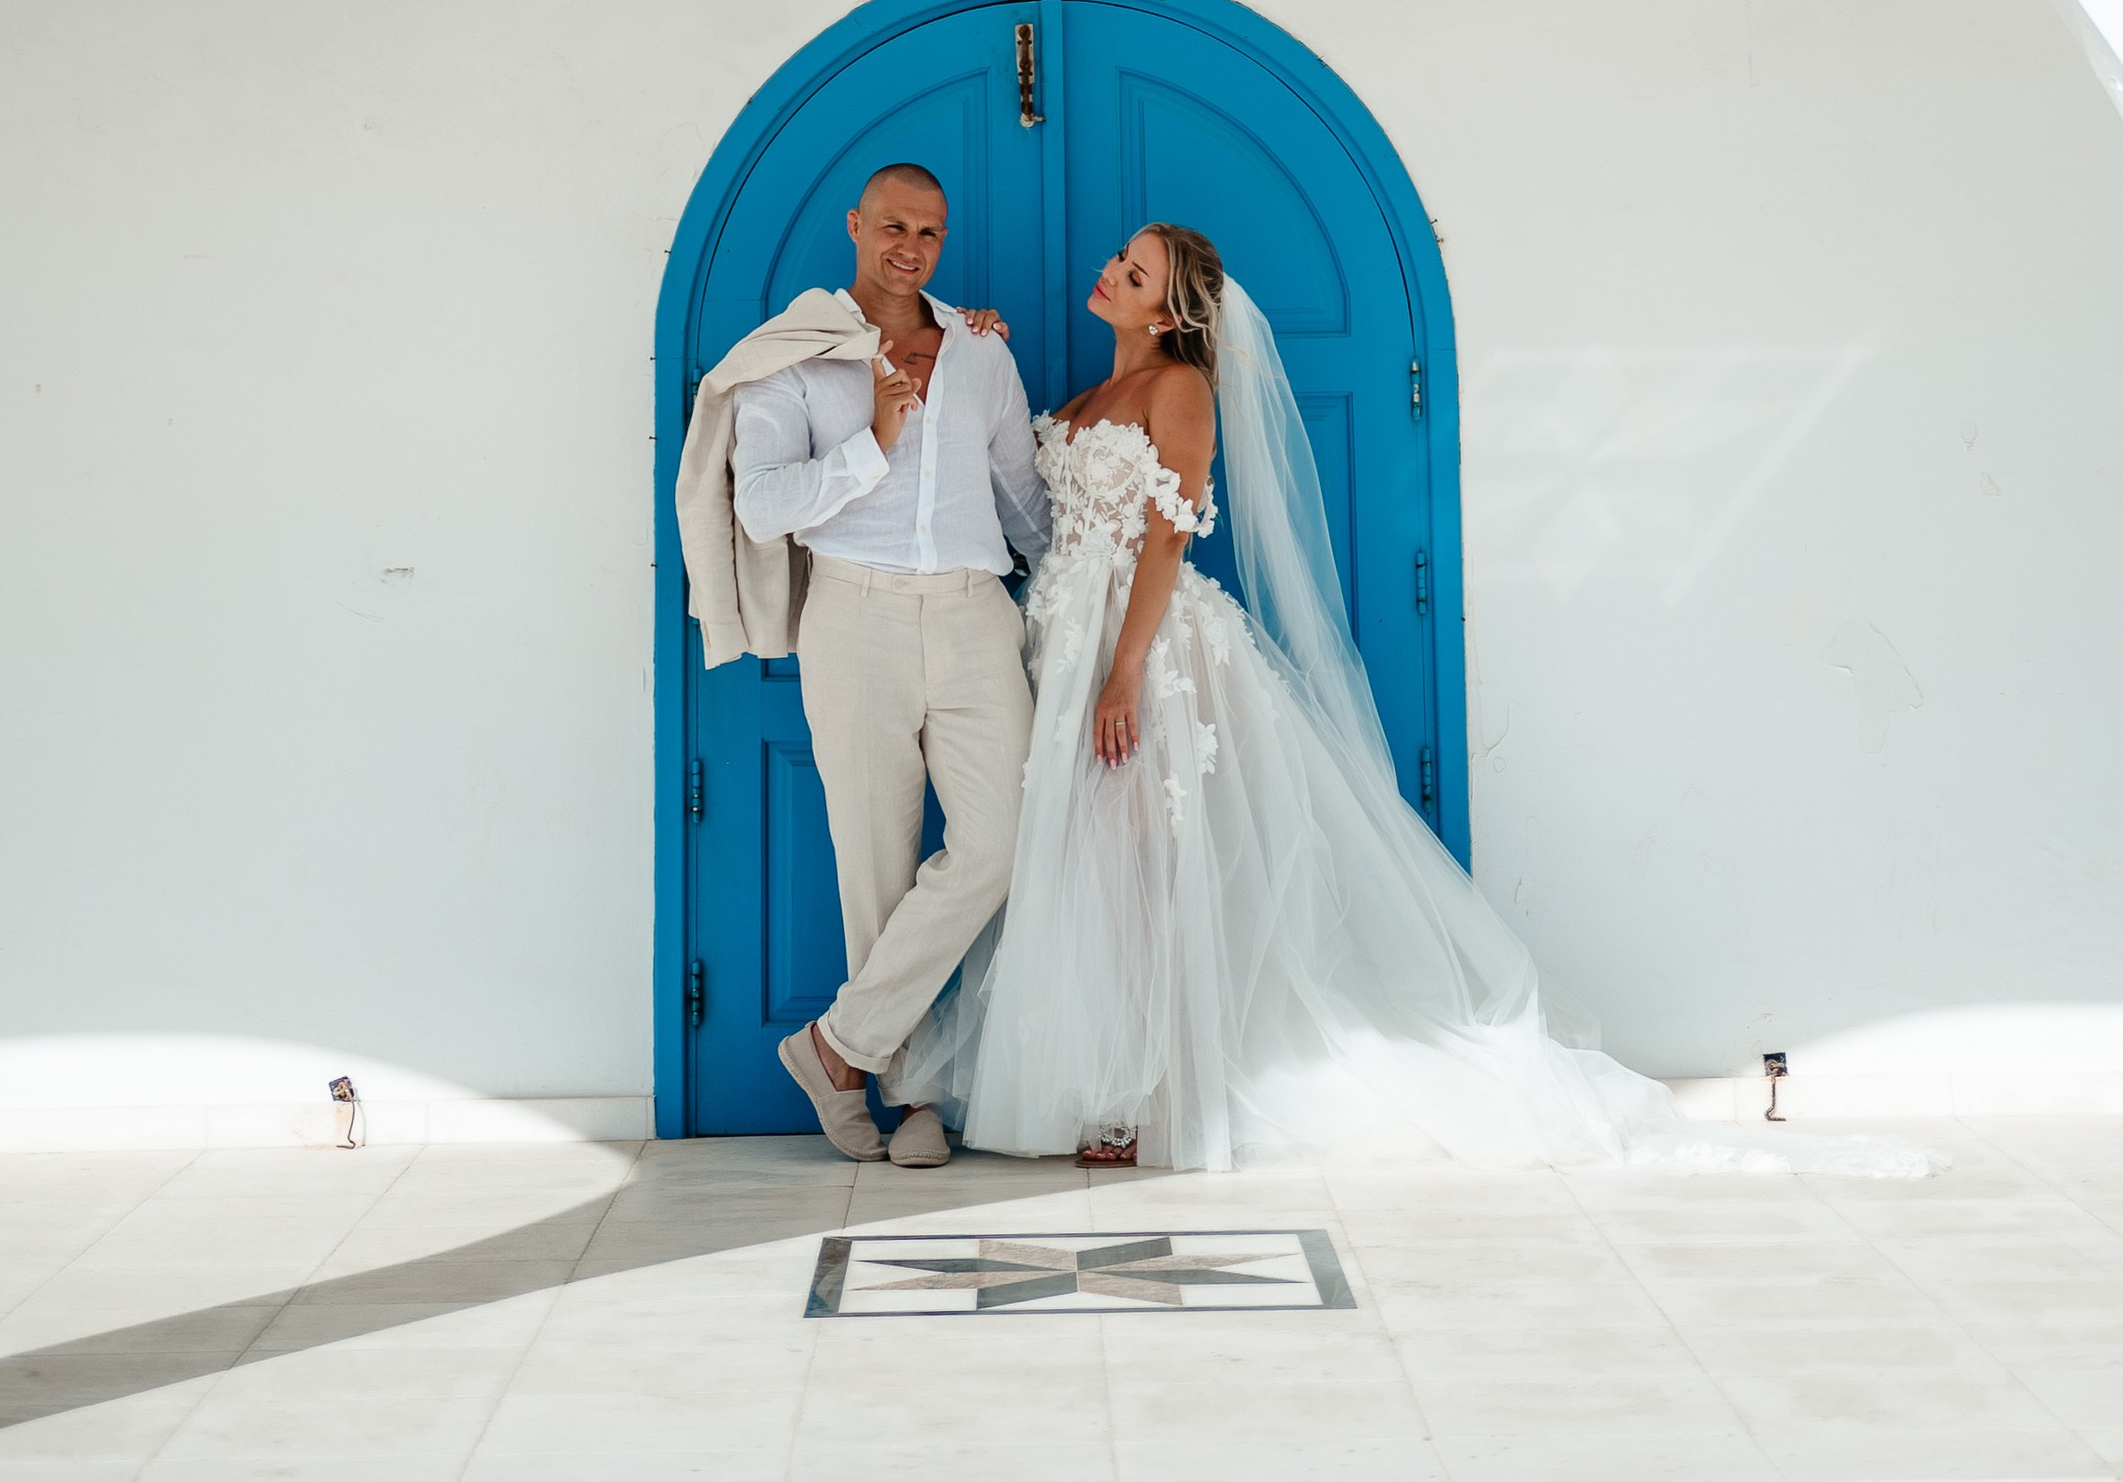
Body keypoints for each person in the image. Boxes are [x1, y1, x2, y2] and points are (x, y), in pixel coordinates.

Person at [890, 220, 1925, 1181]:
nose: (1112, 270)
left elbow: (1168, 533)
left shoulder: (1179, 387)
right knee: (1087, 871)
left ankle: (1154, 1096)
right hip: (1063, 646)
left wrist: (1123, 671)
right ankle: (1099, 1087)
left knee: (1153, 871)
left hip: (1145, 653)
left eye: (1136, 270)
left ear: (1165, 311)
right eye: (1121, 257)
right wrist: (974, 343)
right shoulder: (1079, 399)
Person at [674, 161, 1049, 1169]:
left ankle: (835, 1047)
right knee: (873, 862)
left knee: (1001, 843)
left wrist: (1095, 584)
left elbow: (1021, 502)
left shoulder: (980, 352)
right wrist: (874, 444)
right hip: (855, 617)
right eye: (891, 226)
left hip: (975, 617)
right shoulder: (796, 359)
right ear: (854, 224)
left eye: (927, 231)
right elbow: (759, 506)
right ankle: (908, 1095)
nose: (909, 247)